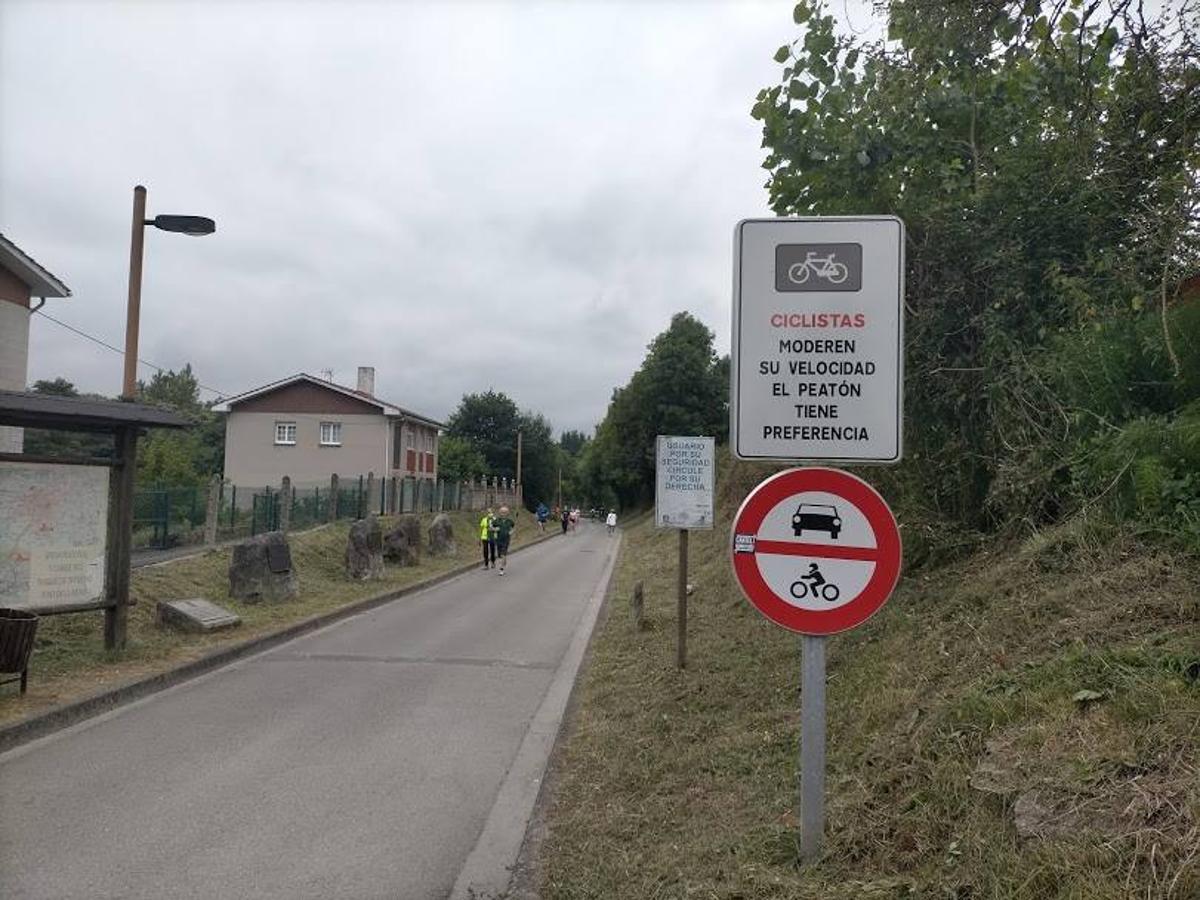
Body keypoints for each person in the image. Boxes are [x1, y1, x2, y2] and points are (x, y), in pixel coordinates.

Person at [493, 505, 516, 575]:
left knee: (503, 554)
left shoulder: (510, 521)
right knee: (500, 555)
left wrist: (511, 532)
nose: (503, 514)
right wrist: (495, 529)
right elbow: (490, 527)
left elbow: (513, 528)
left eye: (505, 512)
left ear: (507, 513)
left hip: (506, 540)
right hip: (498, 540)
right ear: (500, 513)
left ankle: (501, 569)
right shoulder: (496, 521)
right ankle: (504, 561)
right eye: (502, 512)